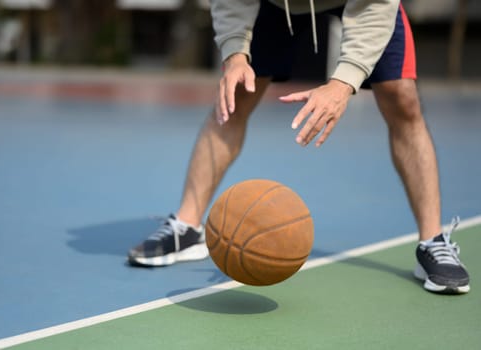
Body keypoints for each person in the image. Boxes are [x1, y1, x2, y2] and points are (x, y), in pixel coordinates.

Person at [128, 0, 470, 294]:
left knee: (402, 99)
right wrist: (235, 53)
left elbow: (375, 7)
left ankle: (433, 241)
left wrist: (343, 83)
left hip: (366, 5)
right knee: (236, 94)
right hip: (272, 6)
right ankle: (188, 227)